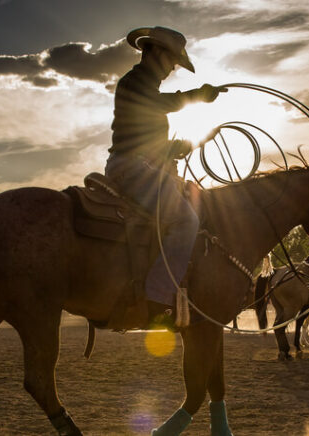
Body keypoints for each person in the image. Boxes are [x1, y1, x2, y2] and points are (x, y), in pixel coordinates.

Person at [105, 26, 223, 328]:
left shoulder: (144, 88)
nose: (173, 68)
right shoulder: (134, 84)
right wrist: (197, 96)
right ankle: (157, 301)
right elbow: (155, 106)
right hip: (131, 168)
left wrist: (193, 143)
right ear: (156, 52)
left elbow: (151, 142)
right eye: (172, 60)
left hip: (142, 166)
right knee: (186, 220)